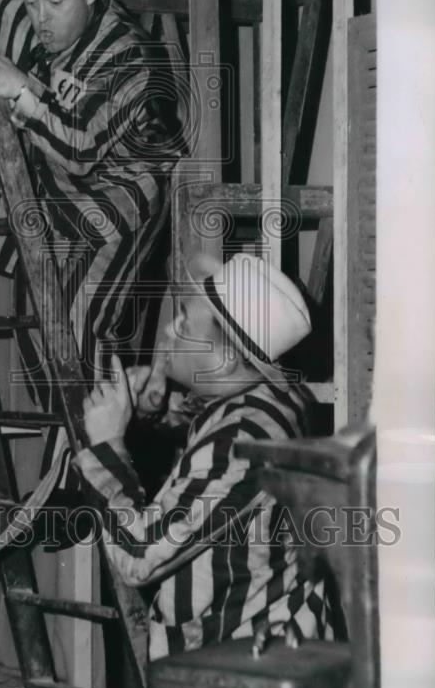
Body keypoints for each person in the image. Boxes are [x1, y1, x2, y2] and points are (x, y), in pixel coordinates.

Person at [0, 0, 184, 493]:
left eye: (55, 2)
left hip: (127, 198)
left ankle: (97, 471)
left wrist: (19, 89)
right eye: (32, 1)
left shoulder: (130, 53)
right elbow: (3, 19)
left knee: (84, 323)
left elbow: (82, 148)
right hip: (65, 197)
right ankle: (77, 452)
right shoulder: (41, 25)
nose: (41, 16)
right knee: (39, 321)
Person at [74, 252, 332, 660]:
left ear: (228, 358)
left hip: (241, 663)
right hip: (278, 640)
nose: (169, 329)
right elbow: (215, 436)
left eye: (184, 322)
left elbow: (138, 557)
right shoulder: (281, 400)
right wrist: (161, 408)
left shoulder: (241, 441)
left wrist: (108, 444)